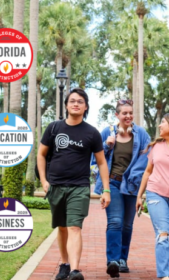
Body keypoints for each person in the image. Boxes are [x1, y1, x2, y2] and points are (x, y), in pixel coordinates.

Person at [37, 88, 111, 280]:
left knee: (74, 227)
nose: (76, 104)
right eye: (72, 101)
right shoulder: (54, 128)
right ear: (66, 105)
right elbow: (41, 154)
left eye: (80, 101)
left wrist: (106, 189)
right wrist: (44, 180)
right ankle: (64, 264)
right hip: (56, 186)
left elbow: (102, 162)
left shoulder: (92, 133)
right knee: (61, 227)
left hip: (79, 187)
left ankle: (75, 271)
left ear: (86, 106)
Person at [92, 99, 150, 278]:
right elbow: (96, 160)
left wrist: (137, 180)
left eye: (131, 113)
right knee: (115, 221)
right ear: (116, 115)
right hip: (113, 183)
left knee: (127, 224)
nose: (128, 116)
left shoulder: (141, 134)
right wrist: (106, 146)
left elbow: (146, 158)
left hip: (132, 184)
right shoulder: (106, 133)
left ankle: (123, 259)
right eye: (124, 113)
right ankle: (113, 261)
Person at [136, 113, 169, 280]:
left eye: (163, 122)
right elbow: (147, 172)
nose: (160, 125)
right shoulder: (157, 147)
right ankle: (165, 275)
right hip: (156, 193)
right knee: (163, 233)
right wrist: (139, 195)